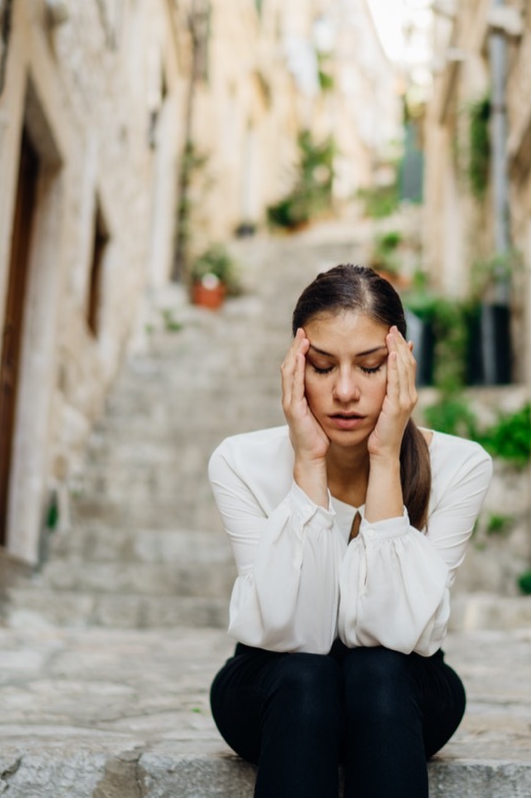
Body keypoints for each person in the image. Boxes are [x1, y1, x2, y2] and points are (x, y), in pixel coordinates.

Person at [207, 264, 493, 798]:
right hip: (274, 690)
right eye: (321, 366)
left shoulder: (461, 466)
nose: (344, 390)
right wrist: (309, 464)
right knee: (308, 679)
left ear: (403, 363)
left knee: (376, 671)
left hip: (402, 695)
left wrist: (385, 458)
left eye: (370, 366)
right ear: (295, 366)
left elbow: (394, 634)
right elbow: (299, 636)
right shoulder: (239, 463)